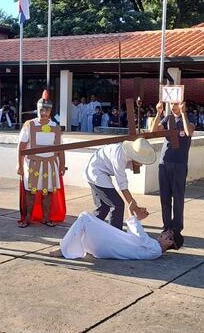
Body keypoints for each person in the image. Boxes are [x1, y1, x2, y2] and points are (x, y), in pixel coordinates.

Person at [83, 137, 156, 230]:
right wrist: (135, 209)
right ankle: (114, 235)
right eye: (141, 160)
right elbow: (123, 186)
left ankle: (87, 228)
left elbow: (128, 167)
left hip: (96, 172)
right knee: (117, 205)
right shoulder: (120, 156)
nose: (141, 164)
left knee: (104, 207)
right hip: (96, 173)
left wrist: (135, 207)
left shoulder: (126, 152)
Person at [17, 91, 66, 228]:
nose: (44, 112)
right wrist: (19, 165)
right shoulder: (29, 125)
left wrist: (62, 164)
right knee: (30, 192)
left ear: (50, 111)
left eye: (47, 110)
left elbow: (60, 148)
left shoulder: (55, 127)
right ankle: (27, 218)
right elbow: (21, 146)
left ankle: (46, 218)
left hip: (50, 164)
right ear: (38, 109)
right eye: (42, 110)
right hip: (32, 164)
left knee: (48, 193)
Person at [60, 211, 183, 260]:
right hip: (107, 246)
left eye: (168, 234)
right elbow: (135, 235)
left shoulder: (156, 250)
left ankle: (65, 250)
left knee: (85, 218)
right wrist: (135, 219)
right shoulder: (154, 247)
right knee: (85, 218)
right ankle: (70, 247)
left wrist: (133, 215)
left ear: (170, 243)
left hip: (108, 245)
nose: (164, 233)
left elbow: (141, 236)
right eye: (166, 231)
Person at [152, 101, 194, 235]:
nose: (173, 106)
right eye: (171, 104)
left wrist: (183, 113)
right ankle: (167, 226)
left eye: (176, 103)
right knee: (164, 197)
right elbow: (153, 131)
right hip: (165, 162)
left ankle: (177, 227)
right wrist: (159, 112)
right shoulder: (167, 118)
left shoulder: (188, 118)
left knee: (178, 197)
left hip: (179, 163)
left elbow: (189, 132)